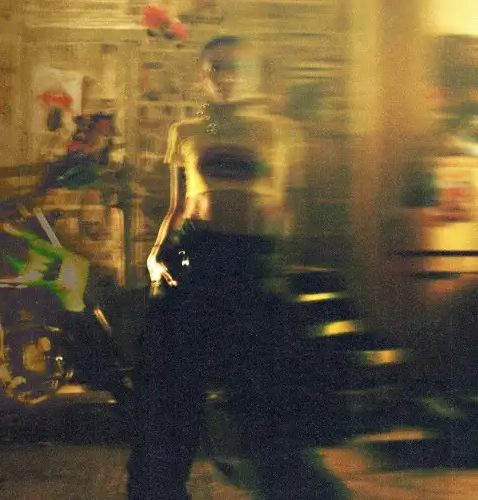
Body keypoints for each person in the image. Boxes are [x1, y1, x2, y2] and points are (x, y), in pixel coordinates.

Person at [127, 35, 351, 500]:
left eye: (235, 67)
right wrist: (155, 252)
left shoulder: (277, 132)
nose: (226, 76)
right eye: (216, 68)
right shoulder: (186, 132)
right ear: (202, 74)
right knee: (174, 385)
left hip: (250, 260)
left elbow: (285, 204)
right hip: (197, 255)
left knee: (259, 387)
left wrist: (279, 260)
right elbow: (180, 205)